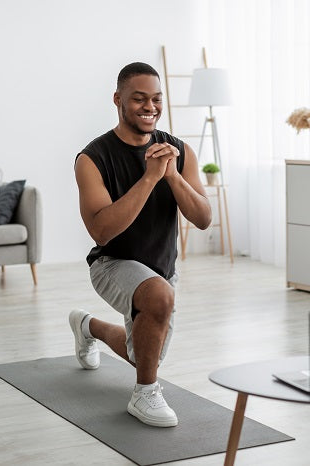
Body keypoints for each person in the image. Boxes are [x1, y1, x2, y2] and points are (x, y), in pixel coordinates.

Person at [70, 62, 212, 427]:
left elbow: (203, 218)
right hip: (112, 263)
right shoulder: (92, 158)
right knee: (159, 298)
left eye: (156, 99)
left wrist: (173, 177)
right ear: (118, 100)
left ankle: (89, 328)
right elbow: (102, 232)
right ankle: (145, 394)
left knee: (143, 352)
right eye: (139, 99)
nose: (150, 107)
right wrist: (150, 178)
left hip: (162, 269)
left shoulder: (178, 150)